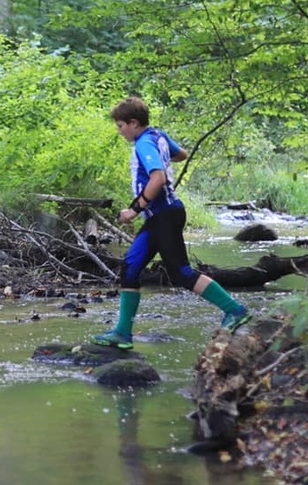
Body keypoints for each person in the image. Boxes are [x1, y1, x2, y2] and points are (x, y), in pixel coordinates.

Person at [92, 96, 251, 350]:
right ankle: (123, 333)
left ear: (133, 123)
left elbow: (158, 177)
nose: (119, 131)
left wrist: (134, 209)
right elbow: (182, 154)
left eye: (121, 125)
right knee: (130, 268)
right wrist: (163, 155)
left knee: (181, 273)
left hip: (164, 214)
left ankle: (236, 311)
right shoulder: (158, 136)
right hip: (161, 216)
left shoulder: (144, 144)